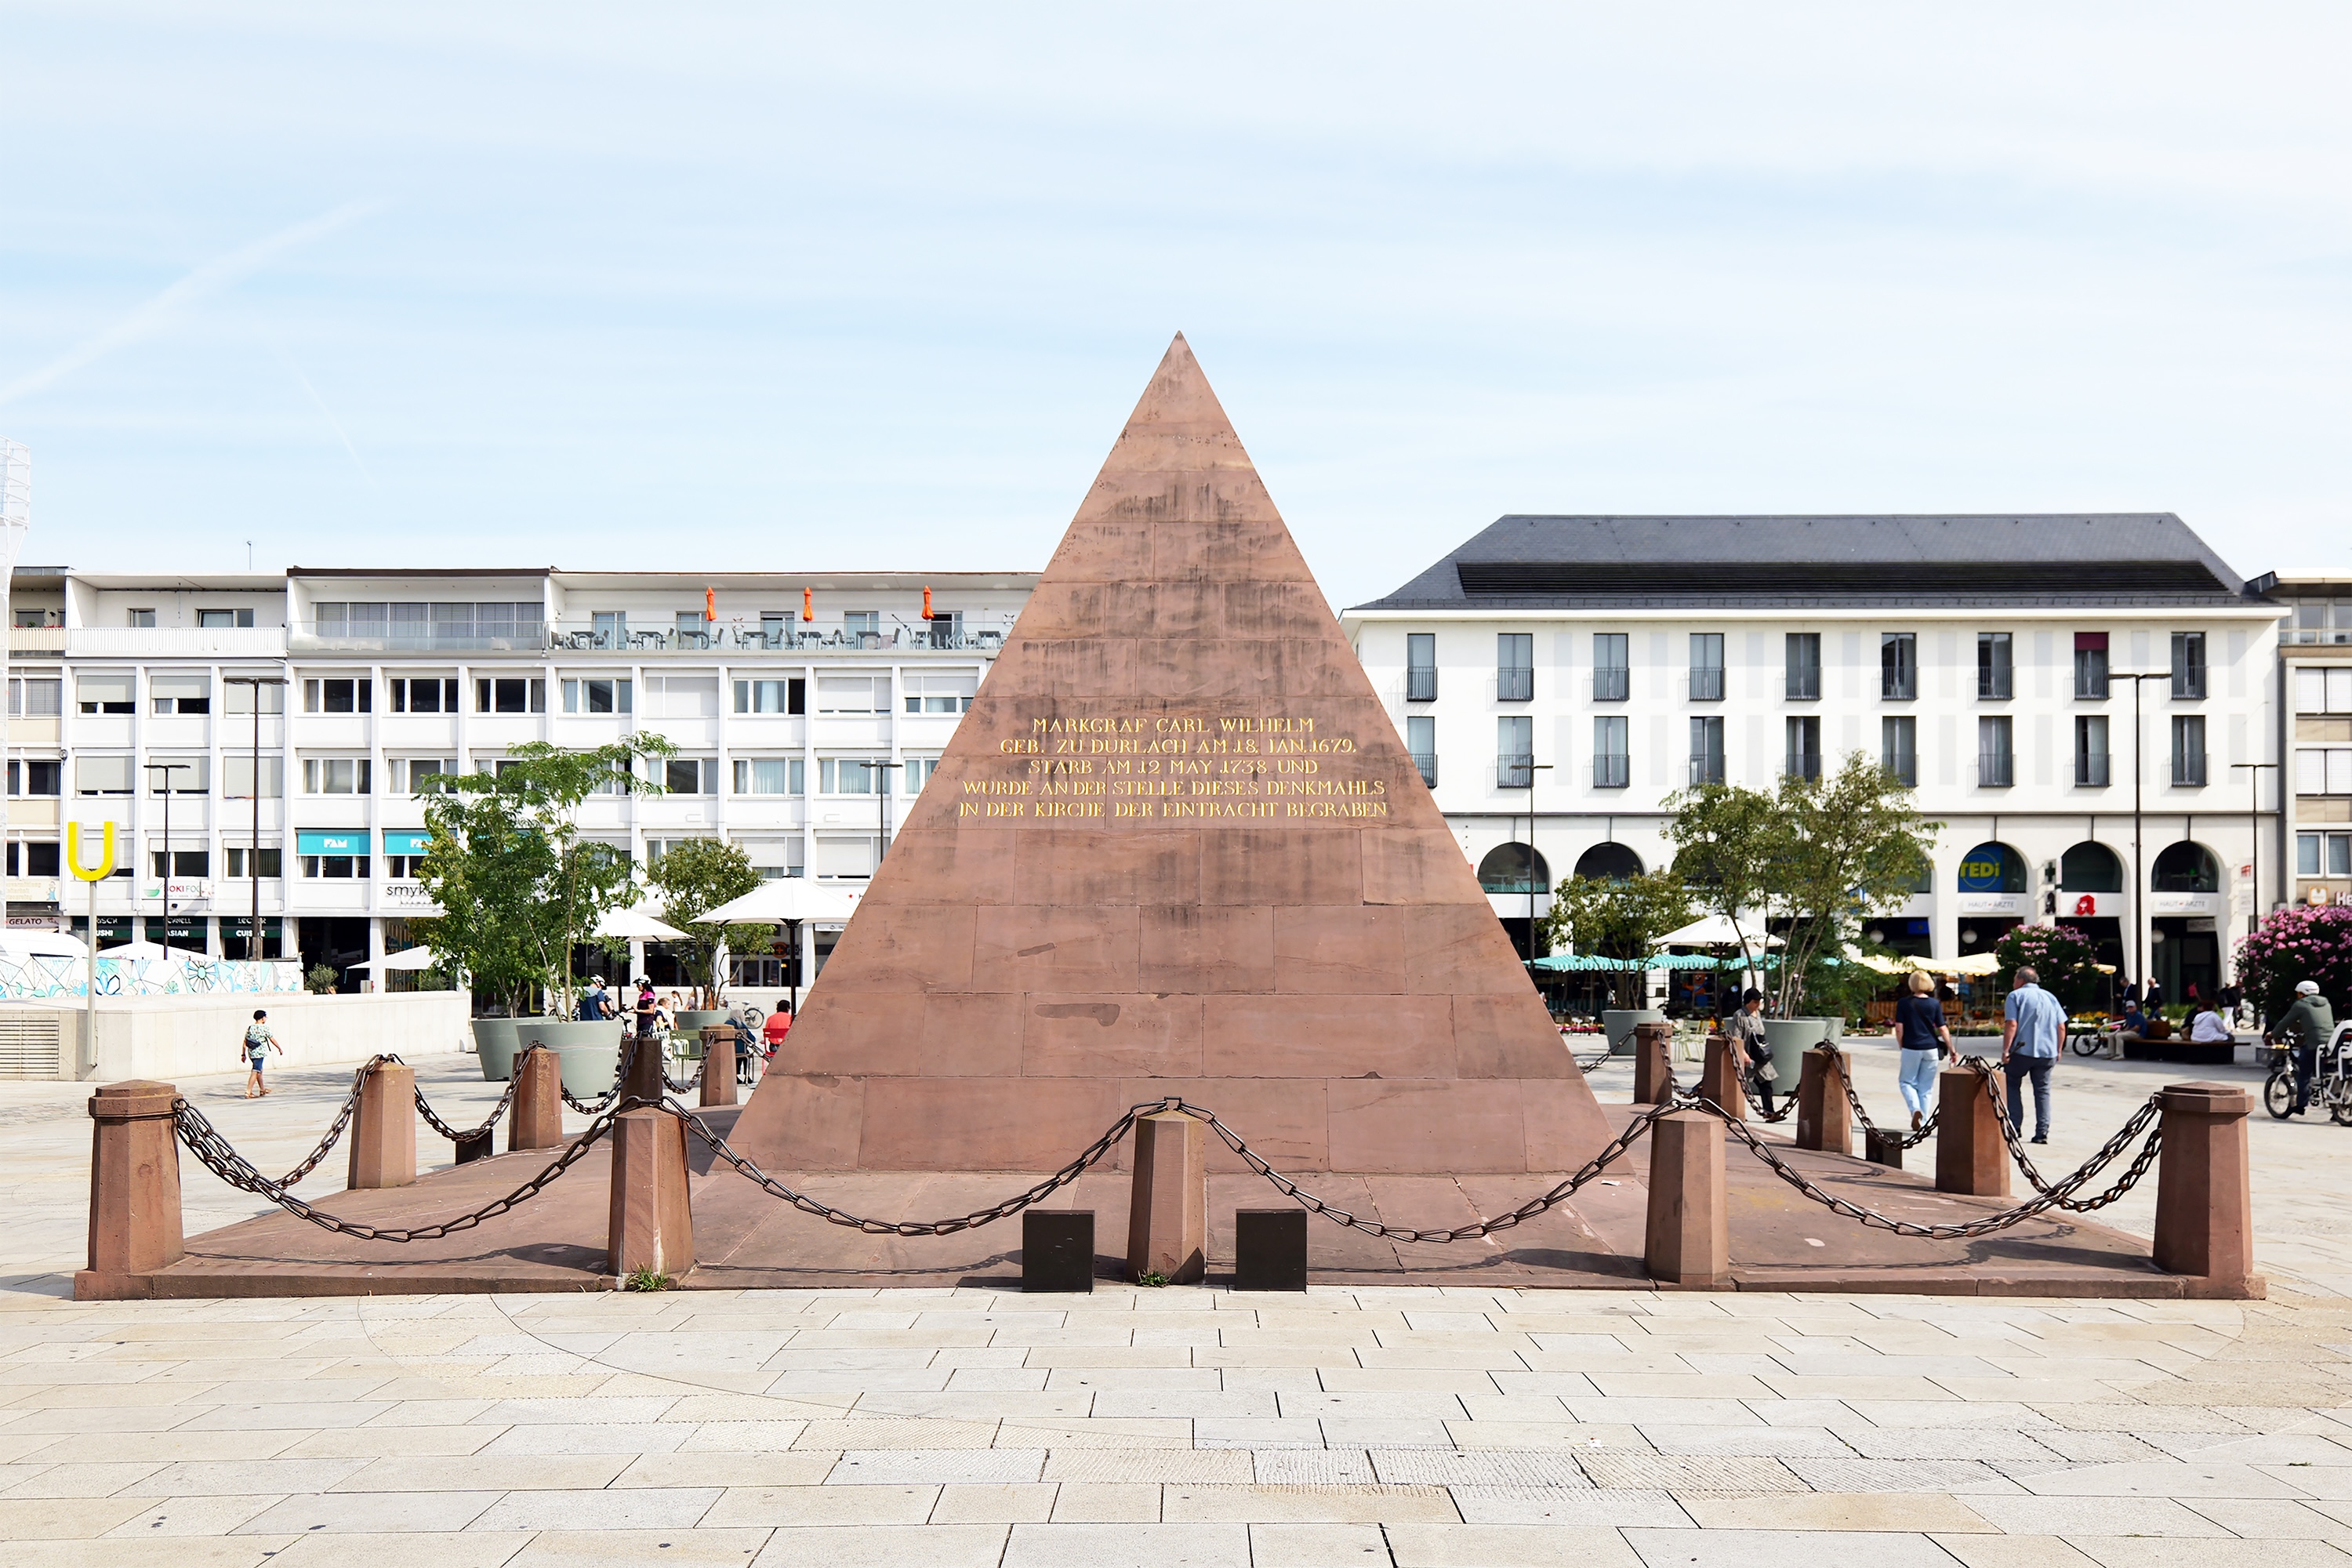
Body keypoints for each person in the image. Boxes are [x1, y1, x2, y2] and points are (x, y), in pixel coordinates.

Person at [2001, 965, 2065, 1144]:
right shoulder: (2050, 997)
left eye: (2015, 979)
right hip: (2047, 1052)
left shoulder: (2015, 996)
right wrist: (2058, 1049)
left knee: (2012, 1085)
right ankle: (2042, 1132)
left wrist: (2006, 1050)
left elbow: (2011, 1024)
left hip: (2021, 1051)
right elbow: (2061, 1026)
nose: (2014, 983)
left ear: (2021, 980)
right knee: (2043, 1091)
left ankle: (2014, 1126)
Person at [1893, 971, 1952, 1131]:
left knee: (1906, 1082)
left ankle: (1915, 1110)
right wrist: (1952, 1049)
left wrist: (1901, 1044)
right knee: (1926, 1087)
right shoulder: (1934, 1004)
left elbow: (1899, 1028)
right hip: (1931, 1048)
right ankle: (1924, 1121)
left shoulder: (1904, 1003)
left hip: (1911, 1047)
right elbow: (1943, 1028)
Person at [2277, 978, 2336, 1116]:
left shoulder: (2301, 1004)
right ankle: (2334, 1105)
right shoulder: (2325, 1002)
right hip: (2331, 1042)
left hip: (2314, 1044)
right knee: (2327, 1072)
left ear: (2303, 994)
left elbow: (2286, 1021)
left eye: (2298, 994)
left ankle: (2301, 1104)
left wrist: (2273, 1034)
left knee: (2304, 1071)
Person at [1724, 988, 1775, 1117]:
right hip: (1748, 1055)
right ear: (1748, 1002)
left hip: (1759, 1055)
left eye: (1759, 1002)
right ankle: (1734, 1110)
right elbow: (1737, 1036)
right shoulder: (1740, 1015)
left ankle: (1770, 1112)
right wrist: (1743, 1053)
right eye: (1755, 1002)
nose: (1757, 1005)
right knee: (1741, 1083)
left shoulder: (1757, 1014)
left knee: (1766, 1082)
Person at [241, 1009, 281, 1098]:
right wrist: (279, 1048)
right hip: (259, 1053)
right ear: (262, 1018)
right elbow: (272, 1039)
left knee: (260, 1070)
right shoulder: (264, 1028)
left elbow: (245, 1041)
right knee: (256, 1071)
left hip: (251, 1052)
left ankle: (262, 1089)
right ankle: (248, 1092)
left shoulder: (250, 1028)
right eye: (265, 1017)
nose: (266, 1019)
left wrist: (243, 1054)